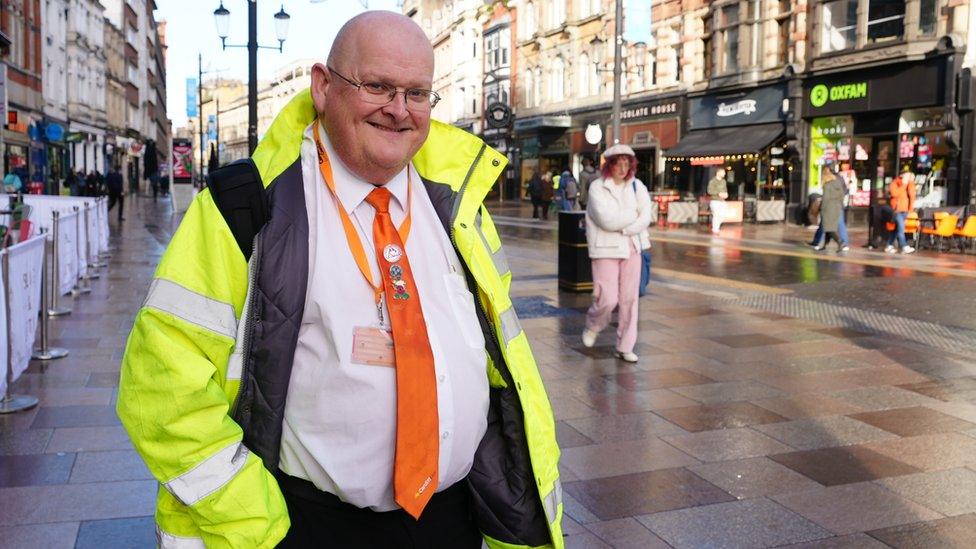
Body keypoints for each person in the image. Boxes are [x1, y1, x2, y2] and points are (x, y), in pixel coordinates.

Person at [117, 12, 562, 549]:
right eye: (376, 86)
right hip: (308, 526)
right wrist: (260, 526)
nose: (399, 110)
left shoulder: (458, 206)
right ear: (323, 87)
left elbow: (499, 364)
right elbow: (164, 389)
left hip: (453, 520)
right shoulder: (246, 207)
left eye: (417, 93)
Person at [581, 144, 652, 363]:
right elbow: (606, 220)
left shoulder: (637, 186)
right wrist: (632, 215)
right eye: (618, 163)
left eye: (626, 163)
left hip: (632, 246)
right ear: (609, 165)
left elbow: (646, 216)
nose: (622, 168)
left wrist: (627, 227)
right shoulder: (597, 188)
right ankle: (594, 325)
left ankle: (624, 346)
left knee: (630, 300)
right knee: (608, 299)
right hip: (605, 248)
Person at [816, 164, 848, 252]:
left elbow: (825, 199)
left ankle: (840, 242)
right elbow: (842, 195)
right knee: (829, 227)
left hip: (828, 209)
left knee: (829, 228)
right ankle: (825, 245)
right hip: (837, 208)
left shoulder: (827, 185)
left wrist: (821, 209)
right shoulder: (837, 183)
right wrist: (840, 205)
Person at [886, 170, 917, 254]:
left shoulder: (909, 184)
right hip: (897, 210)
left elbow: (912, 195)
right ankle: (904, 246)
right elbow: (894, 194)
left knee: (896, 229)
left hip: (905, 210)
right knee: (901, 228)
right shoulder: (894, 183)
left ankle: (889, 245)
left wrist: (911, 183)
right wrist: (904, 184)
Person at [706, 168, 728, 235]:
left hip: (722, 201)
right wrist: (718, 193)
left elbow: (725, 190)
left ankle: (716, 227)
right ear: (718, 173)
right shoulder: (713, 181)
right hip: (715, 201)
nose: (724, 173)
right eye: (723, 172)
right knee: (716, 215)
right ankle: (715, 229)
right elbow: (709, 191)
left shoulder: (723, 181)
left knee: (724, 215)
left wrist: (726, 194)